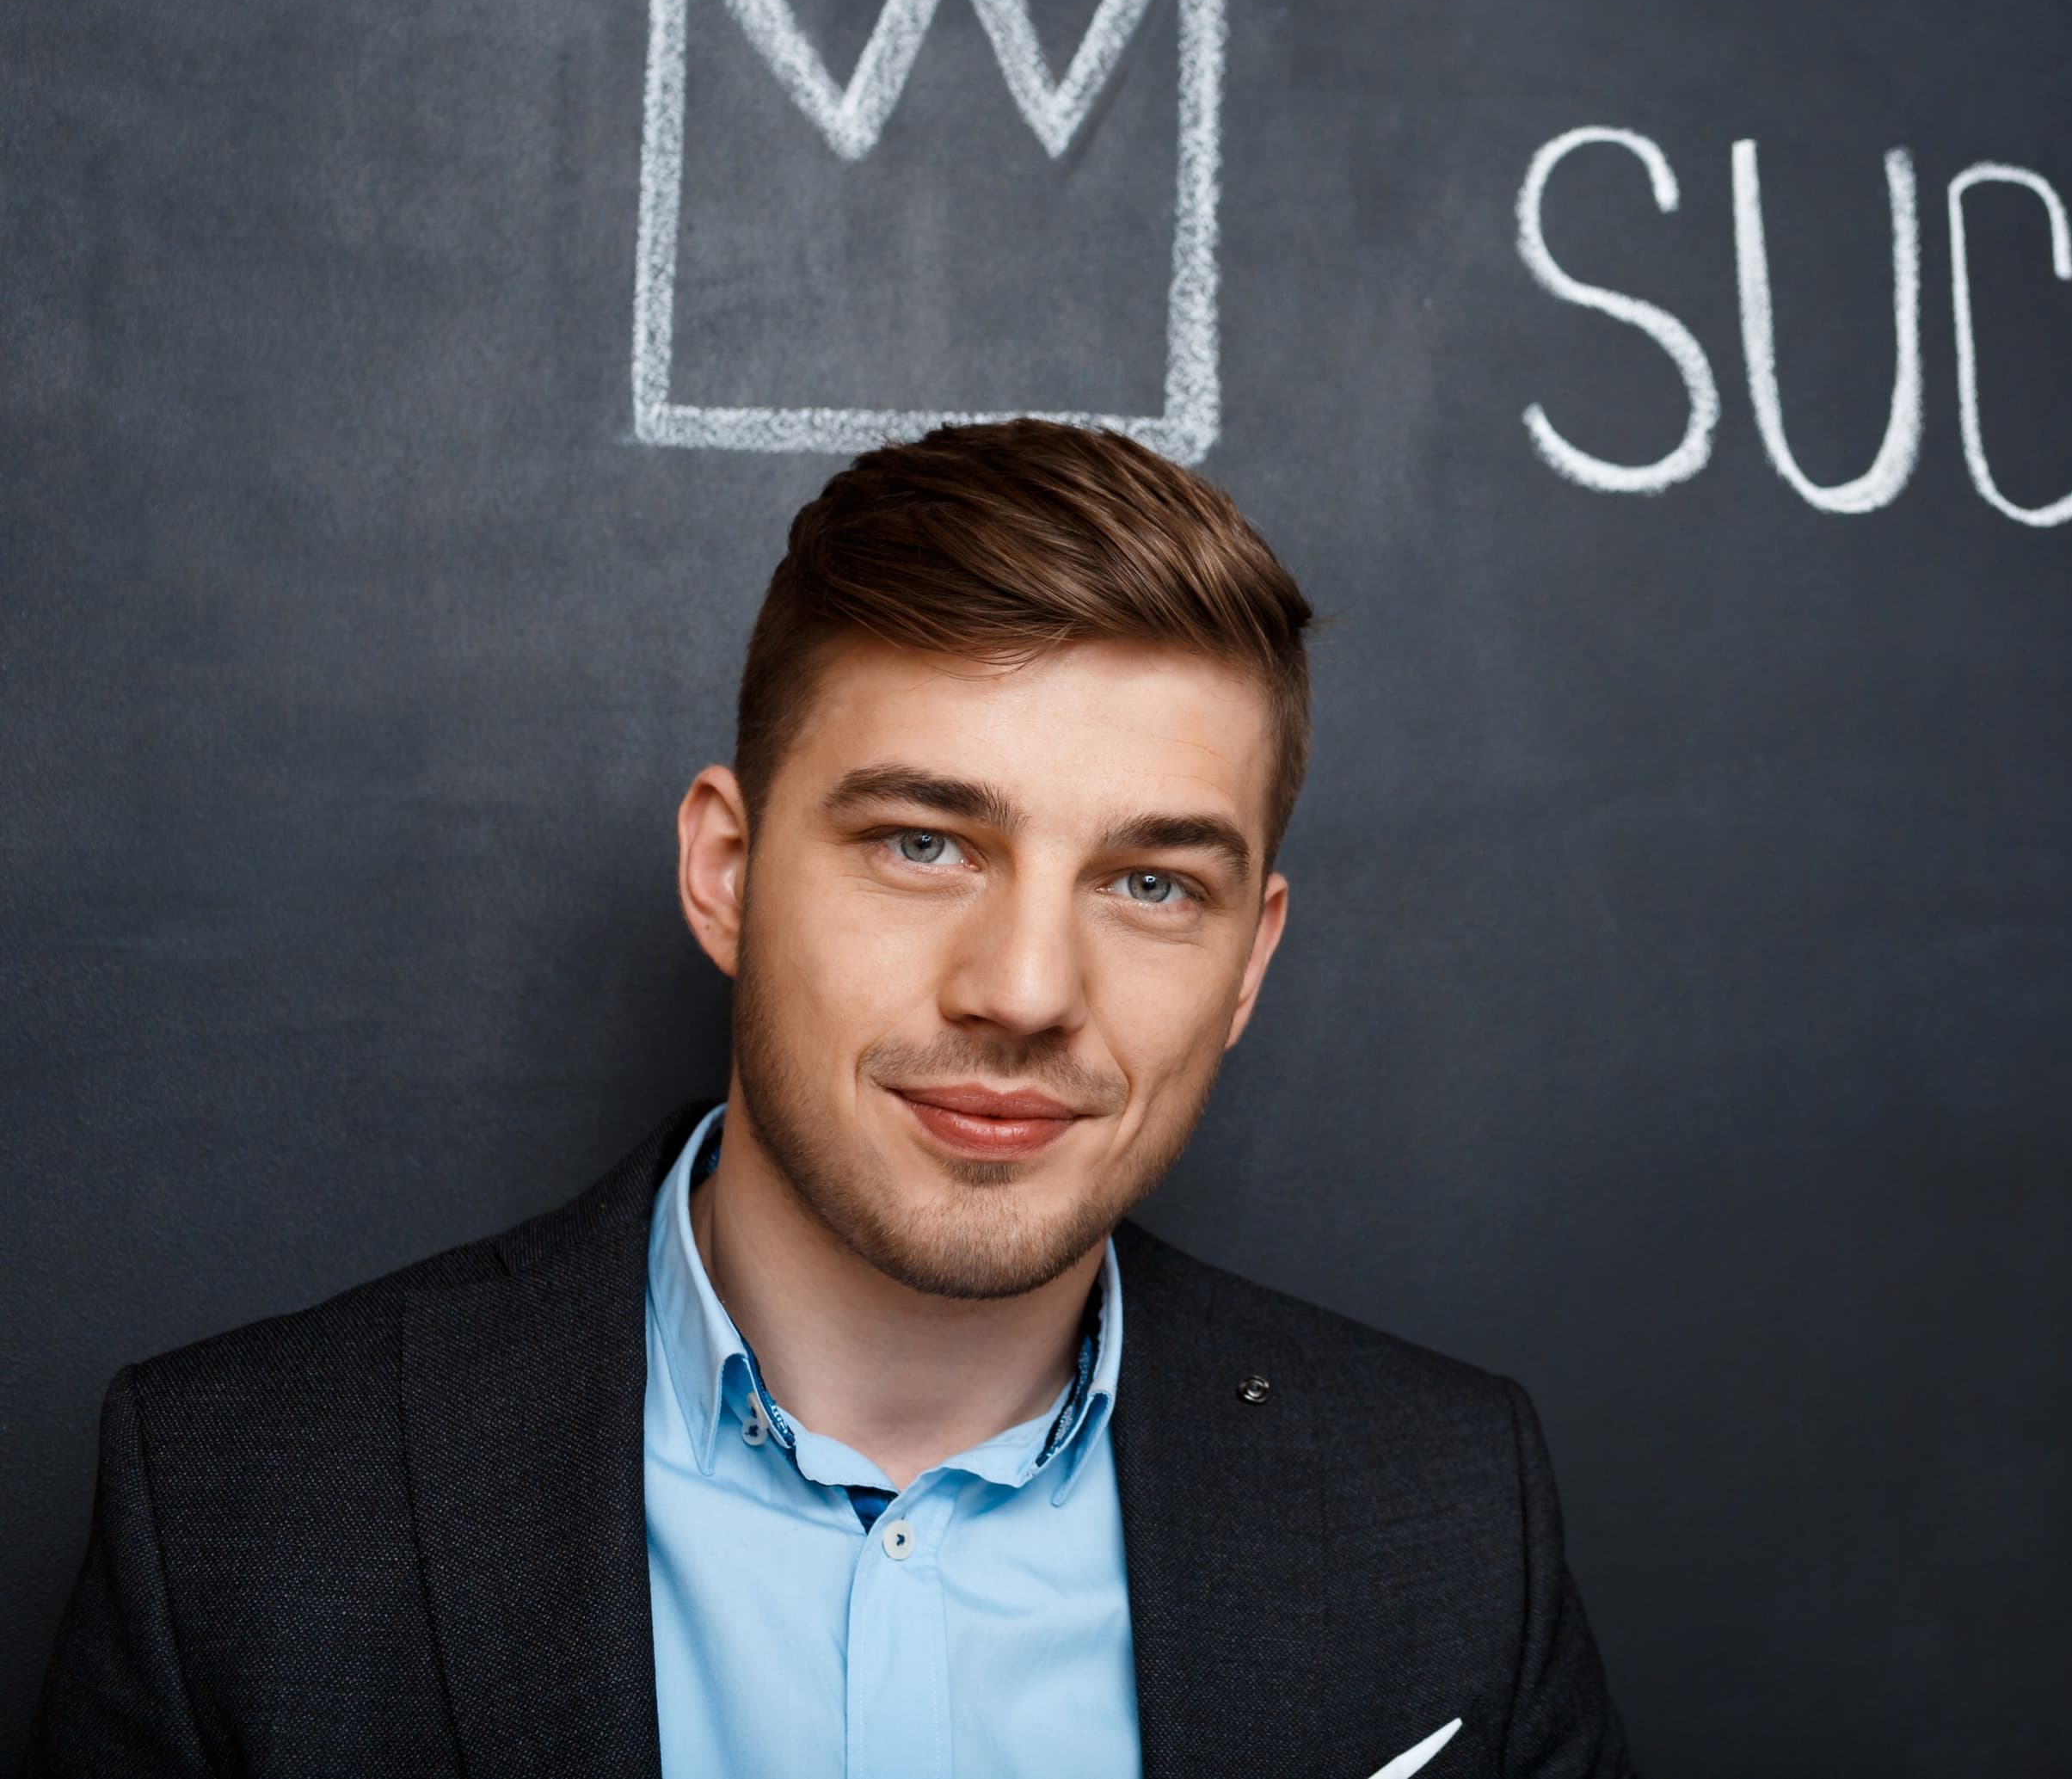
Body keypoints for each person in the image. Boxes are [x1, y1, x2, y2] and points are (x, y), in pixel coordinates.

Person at [28, 421, 1634, 1778]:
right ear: (725, 872)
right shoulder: (240, 1503)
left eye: (1150, 881)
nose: (1022, 988)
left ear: (1248, 958)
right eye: (923, 842)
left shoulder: (1449, 1516)